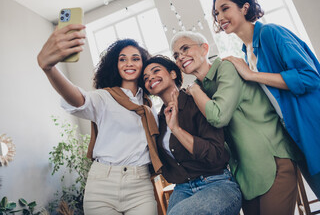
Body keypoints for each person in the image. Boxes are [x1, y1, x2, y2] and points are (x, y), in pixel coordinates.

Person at [212, 0, 320, 215]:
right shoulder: (246, 53)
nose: (219, 17)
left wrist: (252, 75)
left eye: (224, 8)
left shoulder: (271, 33)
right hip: (301, 142)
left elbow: (310, 77)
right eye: (216, 13)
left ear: (245, 7)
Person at [170, 32, 299, 215]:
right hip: (244, 175)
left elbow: (218, 116)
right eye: (176, 55)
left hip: (272, 161)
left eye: (185, 49)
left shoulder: (225, 69)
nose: (180, 57)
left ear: (205, 48)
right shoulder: (201, 88)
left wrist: (194, 89)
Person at [37, 24, 159, 215]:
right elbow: (78, 98)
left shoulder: (149, 107)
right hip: (102, 185)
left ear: (143, 64)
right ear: (114, 65)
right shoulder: (104, 97)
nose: (129, 63)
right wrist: (49, 69)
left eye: (136, 58)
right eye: (122, 59)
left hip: (140, 185)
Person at [142, 55, 242, 215]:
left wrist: (176, 129)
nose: (151, 78)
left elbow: (215, 154)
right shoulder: (159, 119)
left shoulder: (196, 101)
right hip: (182, 188)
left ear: (173, 74)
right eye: (146, 78)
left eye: (156, 71)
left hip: (217, 183)